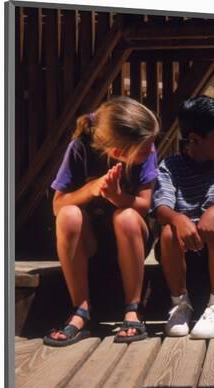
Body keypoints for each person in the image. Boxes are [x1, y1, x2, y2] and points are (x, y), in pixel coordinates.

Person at [43, 96, 160, 347]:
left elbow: (144, 204)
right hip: (91, 242)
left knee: (126, 216)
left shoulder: (145, 147)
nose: (151, 150)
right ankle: (81, 310)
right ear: (118, 153)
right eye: (145, 148)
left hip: (130, 239)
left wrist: (117, 197)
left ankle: (132, 309)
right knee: (69, 214)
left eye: (152, 143)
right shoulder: (80, 148)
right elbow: (57, 204)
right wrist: (93, 188)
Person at [152, 95, 214, 339]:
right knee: (168, 231)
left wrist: (213, 212)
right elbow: (161, 208)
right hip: (184, 244)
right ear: (194, 139)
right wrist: (178, 219)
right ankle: (180, 304)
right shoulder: (170, 166)